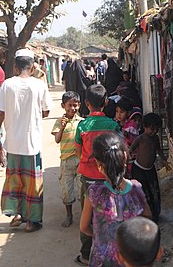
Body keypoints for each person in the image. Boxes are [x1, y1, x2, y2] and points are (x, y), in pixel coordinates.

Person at [0, 48, 52, 232]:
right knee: (33, 183)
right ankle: (31, 221)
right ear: (33, 66)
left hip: (13, 144)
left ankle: (17, 213)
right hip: (31, 144)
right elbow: (46, 111)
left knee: (14, 180)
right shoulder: (39, 85)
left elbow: (0, 113)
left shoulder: (8, 85)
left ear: (16, 66)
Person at [80, 132, 151, 267]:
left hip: (102, 259)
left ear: (98, 164)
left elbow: (84, 227)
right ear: (125, 158)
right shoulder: (136, 189)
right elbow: (148, 216)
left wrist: (100, 235)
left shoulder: (94, 192)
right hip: (131, 258)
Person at [75, 84, 120, 266]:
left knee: (87, 215)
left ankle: (86, 254)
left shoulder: (82, 126)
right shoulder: (112, 125)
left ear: (86, 103)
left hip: (88, 178)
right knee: (110, 214)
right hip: (108, 177)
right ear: (106, 102)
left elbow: (79, 153)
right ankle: (112, 249)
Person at [51, 91, 83, 227]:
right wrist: (62, 127)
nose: (72, 108)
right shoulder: (59, 122)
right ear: (63, 105)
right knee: (66, 190)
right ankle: (69, 215)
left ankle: (84, 216)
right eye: (69, 105)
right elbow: (57, 140)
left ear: (79, 105)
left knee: (83, 189)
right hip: (66, 161)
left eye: (75, 105)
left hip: (80, 160)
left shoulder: (82, 122)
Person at [130, 113, 169, 223]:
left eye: (156, 129)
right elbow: (131, 149)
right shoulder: (140, 139)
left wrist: (164, 160)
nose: (154, 131)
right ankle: (145, 215)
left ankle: (155, 214)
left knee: (154, 192)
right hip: (138, 170)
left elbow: (159, 150)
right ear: (145, 126)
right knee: (143, 193)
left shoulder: (155, 139)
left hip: (150, 170)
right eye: (152, 128)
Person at [116, 97, 140, 178]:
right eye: (117, 111)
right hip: (120, 156)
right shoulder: (115, 124)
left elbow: (136, 140)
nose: (118, 114)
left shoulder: (131, 125)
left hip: (131, 157)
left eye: (121, 112)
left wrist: (128, 136)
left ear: (128, 113)